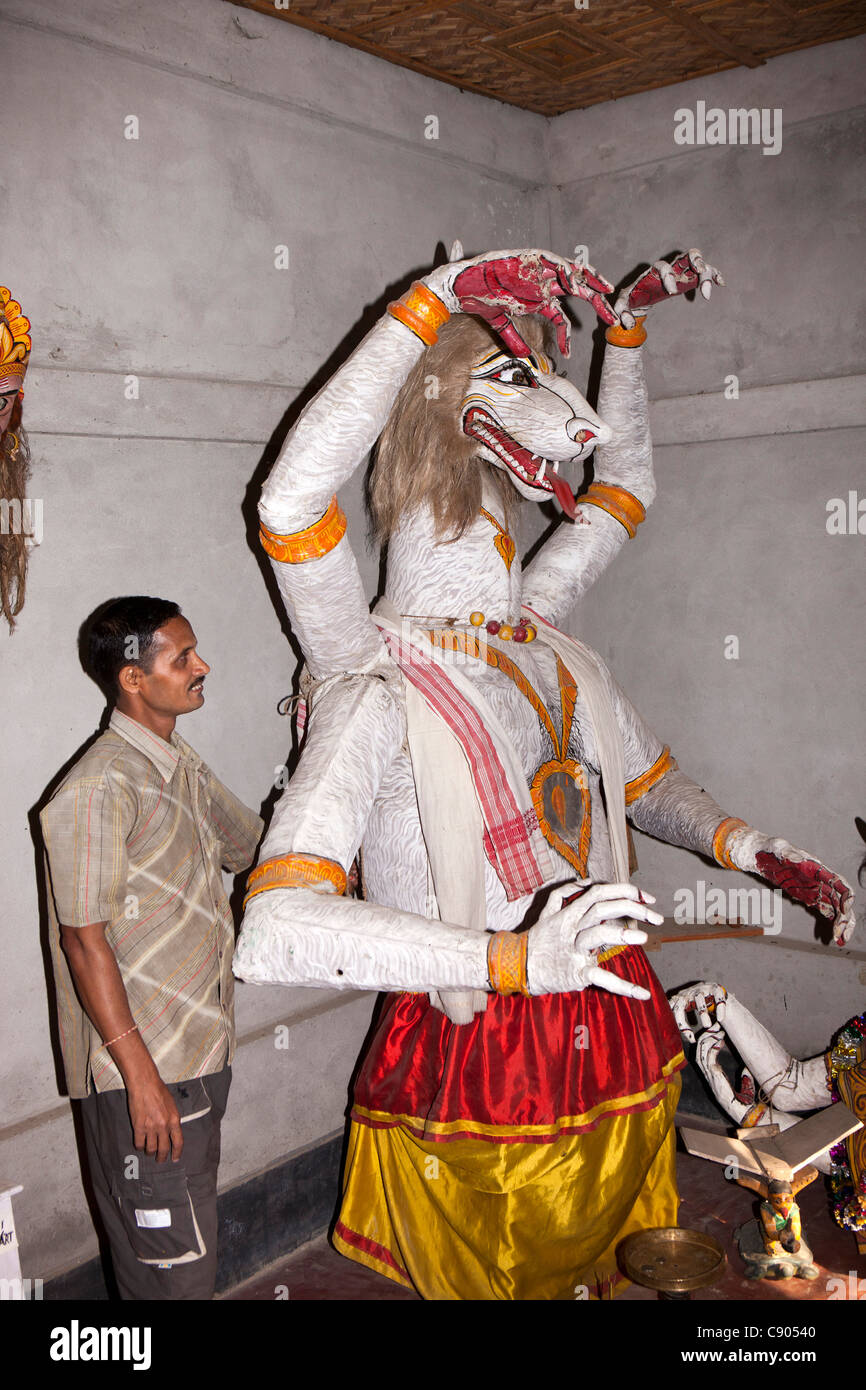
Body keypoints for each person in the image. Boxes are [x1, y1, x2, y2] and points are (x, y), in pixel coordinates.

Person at [40, 596, 263, 1299]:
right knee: (170, 1273)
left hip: (197, 1060)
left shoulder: (178, 766)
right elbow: (83, 941)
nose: (203, 666)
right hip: (143, 1075)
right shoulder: (100, 786)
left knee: (181, 1252)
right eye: (181, 658)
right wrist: (141, 1078)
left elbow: (250, 847)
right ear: (133, 679)